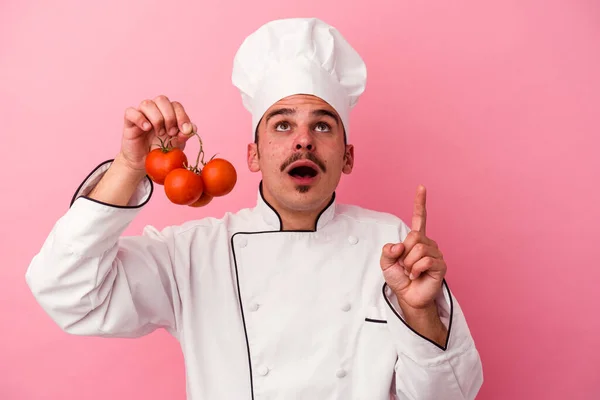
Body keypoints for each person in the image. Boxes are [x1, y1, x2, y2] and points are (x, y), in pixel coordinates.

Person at [25, 17, 483, 399]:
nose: (303, 139)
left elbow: (453, 395)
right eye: (283, 124)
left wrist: (422, 313)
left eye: (322, 126)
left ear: (346, 157)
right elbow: (66, 291)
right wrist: (130, 164)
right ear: (252, 154)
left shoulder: (391, 246)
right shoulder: (193, 253)